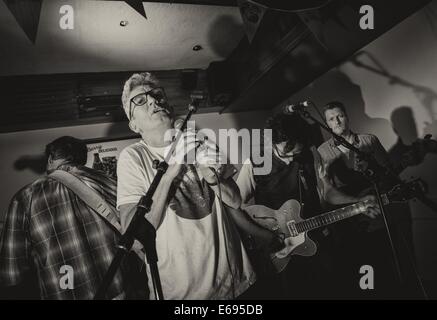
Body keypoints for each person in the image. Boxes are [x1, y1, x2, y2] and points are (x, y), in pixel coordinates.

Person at [117, 72, 278, 300]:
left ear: (169, 107)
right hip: (185, 295)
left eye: (156, 95)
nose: (153, 100)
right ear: (134, 124)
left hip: (238, 282)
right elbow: (134, 237)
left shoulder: (199, 140)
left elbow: (235, 200)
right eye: (140, 100)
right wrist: (172, 169)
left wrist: (214, 178)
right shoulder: (132, 157)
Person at [237, 112, 379, 299]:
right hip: (281, 248)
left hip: (317, 237)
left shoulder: (311, 154)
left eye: (296, 152)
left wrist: (356, 202)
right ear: (273, 143)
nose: (292, 159)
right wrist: (264, 234)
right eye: (286, 153)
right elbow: (235, 207)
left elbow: (327, 192)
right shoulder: (254, 163)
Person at [0, 136, 132, 299]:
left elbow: (12, 270)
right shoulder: (111, 183)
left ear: (50, 159)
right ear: (83, 159)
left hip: (64, 293)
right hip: (117, 290)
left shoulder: (25, 197)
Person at [317, 101, 415, 298]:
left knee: (389, 263)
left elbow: (389, 175)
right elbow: (327, 193)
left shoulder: (369, 141)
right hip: (351, 220)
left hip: (378, 214)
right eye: (331, 119)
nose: (337, 121)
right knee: (363, 269)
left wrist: (375, 173)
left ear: (347, 116)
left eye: (340, 116)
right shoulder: (322, 151)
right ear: (327, 124)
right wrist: (356, 202)